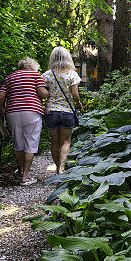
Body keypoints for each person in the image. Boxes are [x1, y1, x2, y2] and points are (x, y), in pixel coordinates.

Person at [0, 57, 49, 185]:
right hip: (32, 112)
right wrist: (48, 93)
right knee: (30, 143)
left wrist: (1, 109)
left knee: (18, 143)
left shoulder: (9, 77)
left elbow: (1, 96)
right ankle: (25, 177)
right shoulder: (35, 75)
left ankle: (20, 171)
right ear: (33, 67)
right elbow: (42, 94)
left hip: (12, 112)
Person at [42, 46, 83, 174]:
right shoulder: (72, 74)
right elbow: (75, 94)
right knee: (66, 142)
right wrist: (79, 104)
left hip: (51, 111)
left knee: (54, 141)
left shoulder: (46, 75)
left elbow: (43, 93)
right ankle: (61, 169)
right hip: (67, 112)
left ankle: (56, 166)